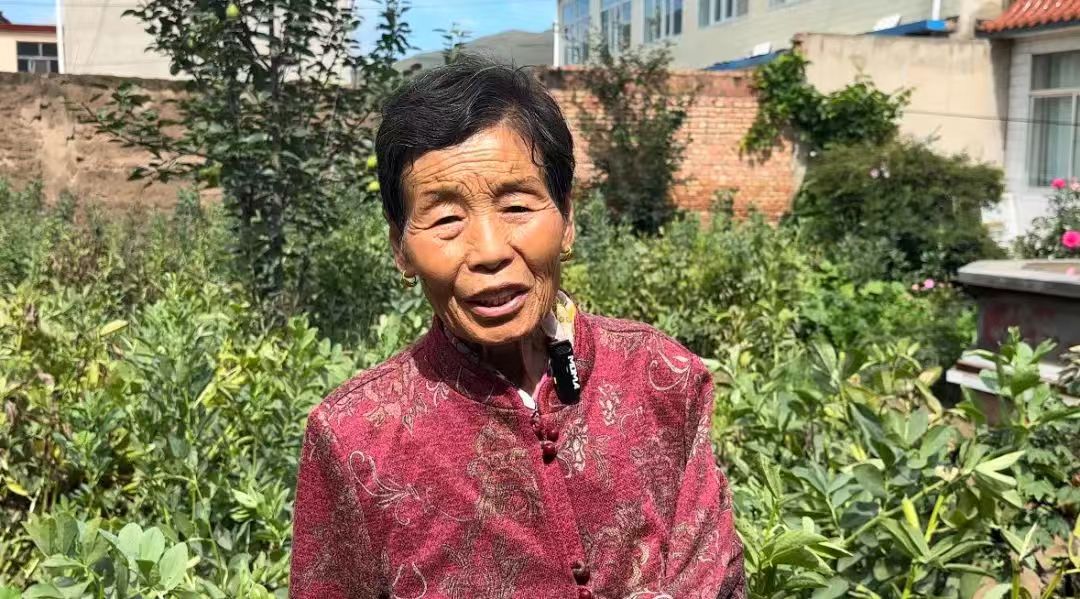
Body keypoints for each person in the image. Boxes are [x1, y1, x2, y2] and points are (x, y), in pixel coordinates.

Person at [289, 55, 745, 599]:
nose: (489, 251)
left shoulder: (664, 379)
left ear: (567, 219)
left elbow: (714, 579)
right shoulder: (355, 437)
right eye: (445, 218)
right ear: (400, 247)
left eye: (516, 206)